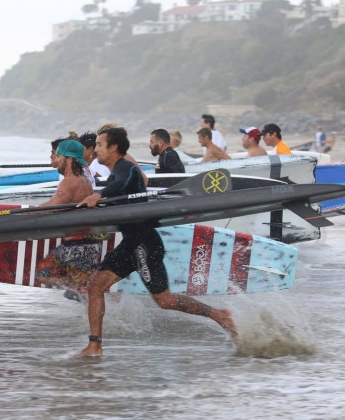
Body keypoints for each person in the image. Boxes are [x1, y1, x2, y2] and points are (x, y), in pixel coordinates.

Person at [75, 124, 236, 357]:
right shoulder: (120, 170)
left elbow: (120, 182)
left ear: (114, 147)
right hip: (131, 243)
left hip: (144, 244)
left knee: (164, 300)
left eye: (100, 145)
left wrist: (99, 195)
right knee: (95, 287)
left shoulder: (125, 168)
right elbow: (121, 186)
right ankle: (94, 346)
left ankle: (219, 315)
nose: (96, 149)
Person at [35, 139, 97, 296]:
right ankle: (74, 289)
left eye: (59, 156)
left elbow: (54, 205)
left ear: (69, 159)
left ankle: (77, 291)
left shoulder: (69, 182)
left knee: (44, 275)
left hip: (78, 248)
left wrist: (29, 213)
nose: (56, 160)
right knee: (45, 275)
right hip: (84, 245)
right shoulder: (84, 180)